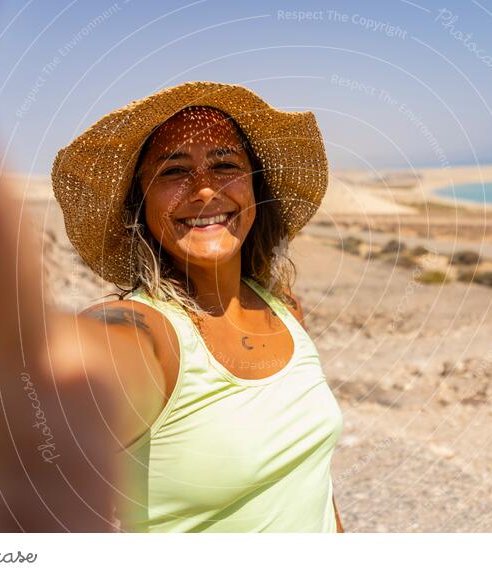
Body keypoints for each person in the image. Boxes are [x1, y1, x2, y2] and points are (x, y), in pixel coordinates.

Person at [51, 82, 345, 532]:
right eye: (173, 171)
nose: (205, 190)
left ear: (255, 189)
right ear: (140, 204)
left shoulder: (285, 309)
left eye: (225, 164)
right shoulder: (143, 332)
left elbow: (315, 489)